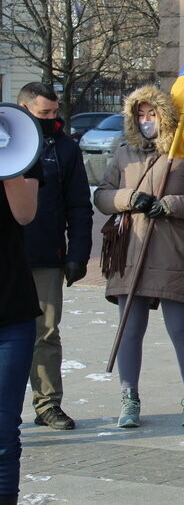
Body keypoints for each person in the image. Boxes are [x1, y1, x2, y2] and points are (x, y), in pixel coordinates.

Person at [94, 85, 184, 428]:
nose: (146, 121)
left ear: (165, 116)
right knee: (130, 328)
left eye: (152, 114)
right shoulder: (123, 154)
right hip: (130, 252)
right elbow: (102, 196)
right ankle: (129, 397)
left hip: (172, 252)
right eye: (140, 115)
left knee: (179, 327)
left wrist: (171, 205)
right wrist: (128, 199)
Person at [17, 83, 93, 432]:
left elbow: (79, 205)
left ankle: (48, 404)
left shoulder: (64, 147)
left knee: (45, 333)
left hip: (47, 254)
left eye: (54, 112)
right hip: (8, 255)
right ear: (23, 109)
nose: (52, 119)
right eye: (43, 114)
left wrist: (78, 253)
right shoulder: (6, 142)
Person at [0, 154, 43, 505]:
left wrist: (6, 160)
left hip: (11, 313)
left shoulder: (18, 150)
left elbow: (25, 213)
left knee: (3, 432)